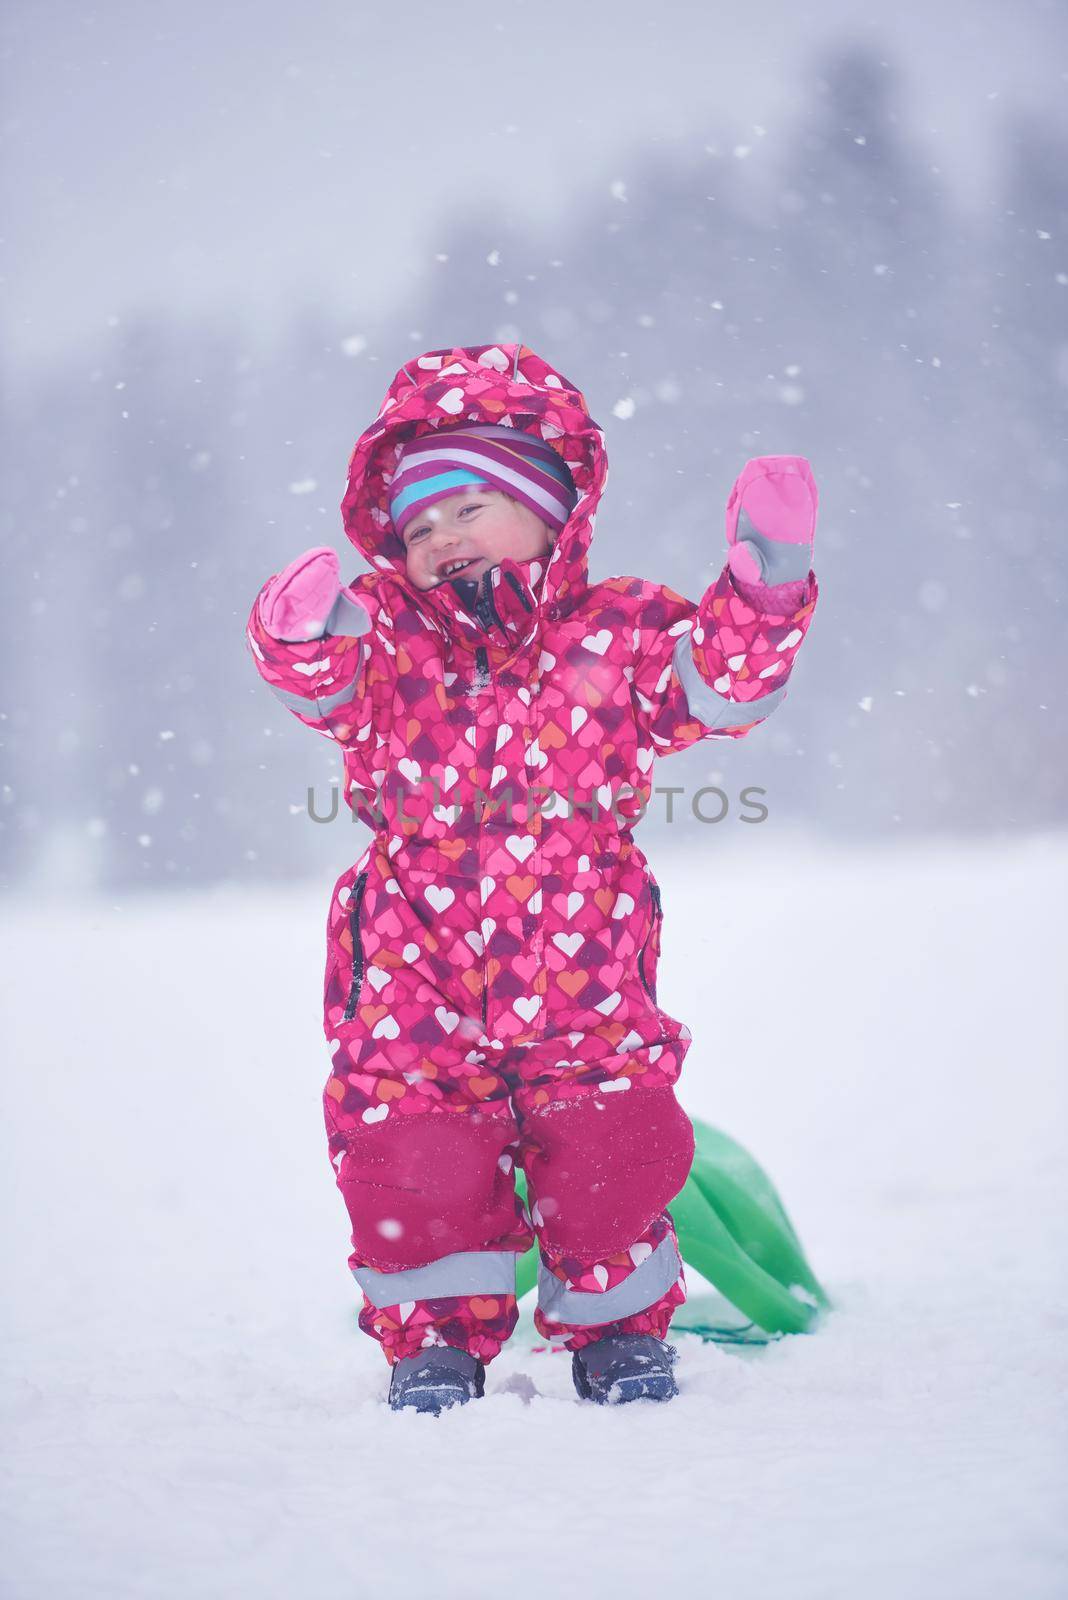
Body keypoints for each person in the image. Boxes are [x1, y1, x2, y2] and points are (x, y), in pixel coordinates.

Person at [246, 341, 819, 1413]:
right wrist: (297, 635)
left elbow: (723, 688)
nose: (443, 538)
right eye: (418, 527)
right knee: (408, 1155)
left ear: (551, 506)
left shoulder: (620, 631)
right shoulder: (394, 651)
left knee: (614, 1146)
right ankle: (432, 1348)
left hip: (584, 969)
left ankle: (617, 1334)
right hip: (417, 974)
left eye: (469, 506)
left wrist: (763, 585)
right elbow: (324, 690)